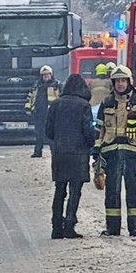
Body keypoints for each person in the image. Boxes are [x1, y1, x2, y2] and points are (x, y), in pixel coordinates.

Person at [93, 64, 136, 237]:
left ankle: (135, 227)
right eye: (117, 81)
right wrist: (96, 149)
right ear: (113, 83)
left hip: (134, 154)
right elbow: (99, 129)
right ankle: (112, 228)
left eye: (123, 80)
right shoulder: (106, 102)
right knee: (112, 191)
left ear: (129, 82)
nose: (120, 84)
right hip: (111, 153)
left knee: (134, 190)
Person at [43, 74, 96, 239]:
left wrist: (60, 140)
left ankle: (56, 227)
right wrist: (92, 142)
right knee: (75, 190)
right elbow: (88, 131)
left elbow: (48, 131)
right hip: (78, 153)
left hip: (59, 153)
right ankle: (69, 224)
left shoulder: (56, 104)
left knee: (60, 190)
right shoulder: (84, 106)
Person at [24, 65, 60, 158]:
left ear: (51, 75)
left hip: (50, 113)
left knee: (51, 134)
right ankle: (37, 152)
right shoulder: (36, 86)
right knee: (38, 133)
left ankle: (54, 152)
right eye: (44, 75)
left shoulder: (56, 85)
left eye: (47, 75)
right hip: (38, 112)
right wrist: (28, 108)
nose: (46, 76)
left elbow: (59, 98)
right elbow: (30, 97)